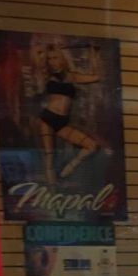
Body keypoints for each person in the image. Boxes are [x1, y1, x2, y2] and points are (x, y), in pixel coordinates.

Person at [38, 44, 111, 184]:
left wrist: (94, 54)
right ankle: (52, 188)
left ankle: (67, 171)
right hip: (48, 117)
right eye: (50, 59)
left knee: (91, 146)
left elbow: (97, 76)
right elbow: (38, 59)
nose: (52, 61)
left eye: (55, 58)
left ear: (61, 59)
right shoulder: (46, 75)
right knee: (49, 156)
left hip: (62, 121)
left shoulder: (71, 76)